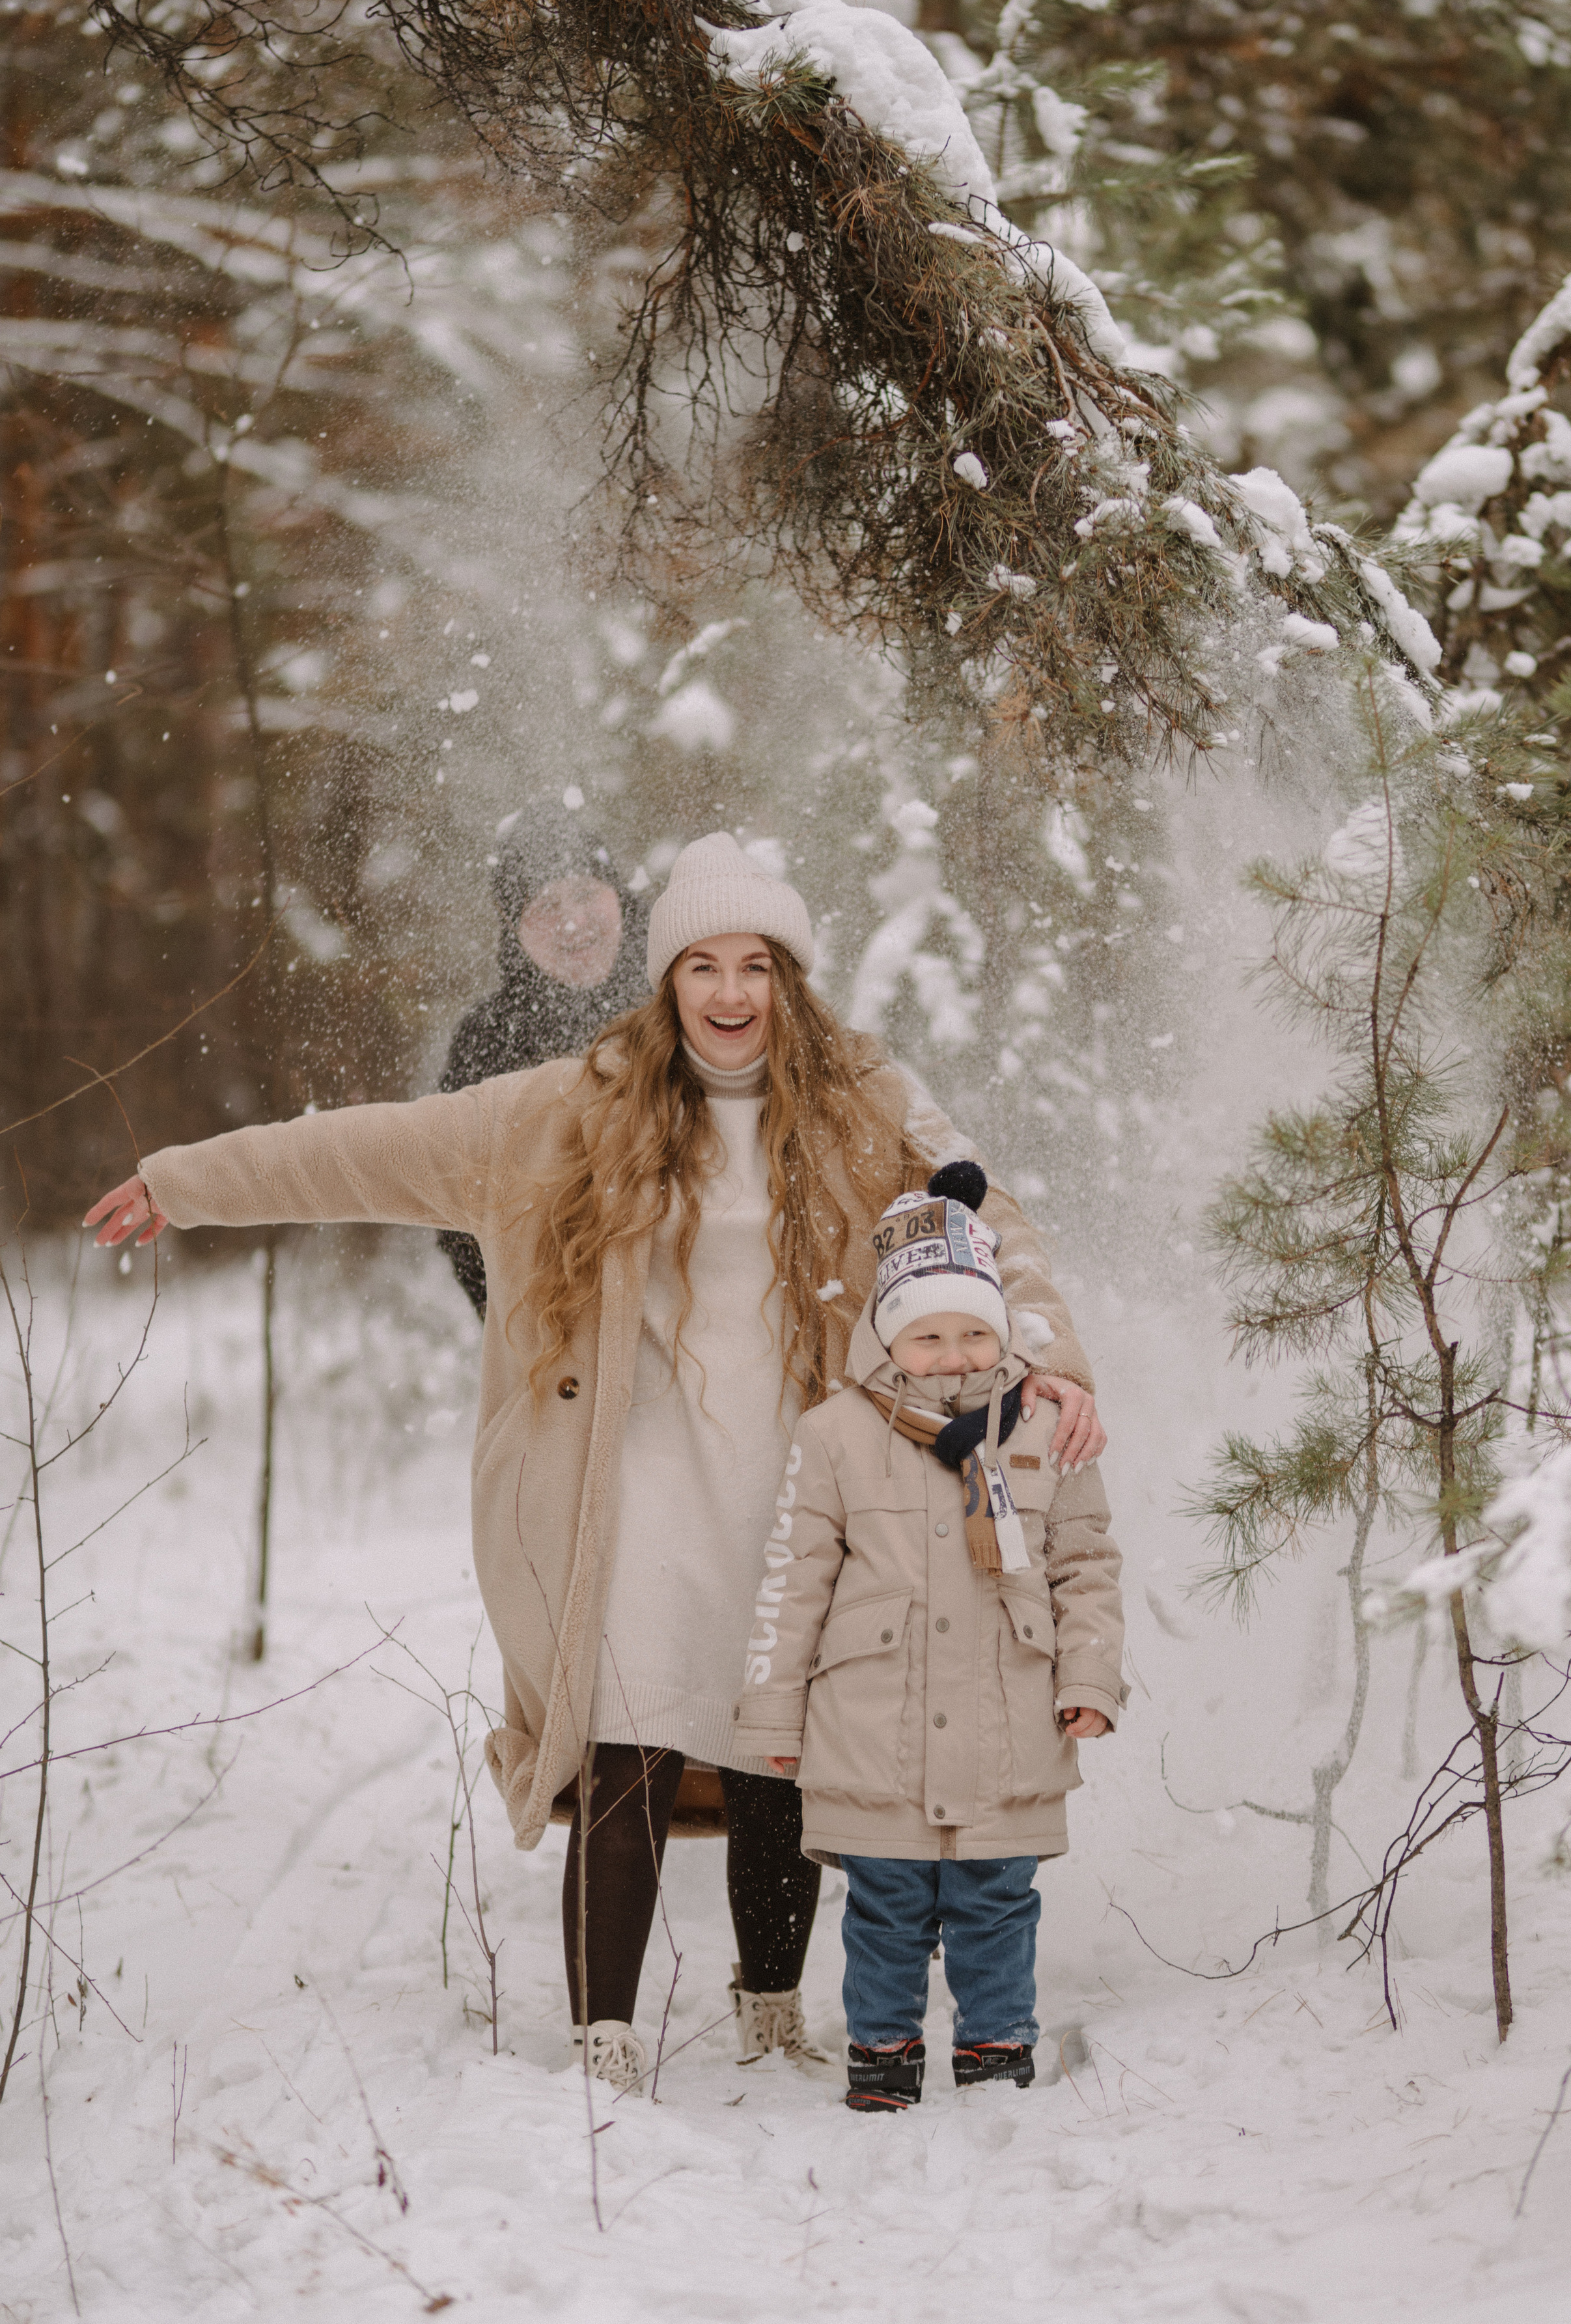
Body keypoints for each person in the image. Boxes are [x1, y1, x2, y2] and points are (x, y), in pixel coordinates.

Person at [83, 833, 1108, 2096]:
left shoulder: (866, 1099)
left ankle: (771, 2009)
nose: (730, 995)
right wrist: (184, 1183)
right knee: (624, 1734)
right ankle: (600, 2043)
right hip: (629, 1481)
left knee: (768, 1739)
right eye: (702, 966)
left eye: (756, 967)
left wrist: (1050, 1363)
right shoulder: (573, 1103)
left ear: (790, 979)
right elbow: (367, 1149)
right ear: (665, 974)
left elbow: (990, 1223)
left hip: (795, 1477)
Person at [732, 1160, 1126, 2111]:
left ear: (1000, 1328)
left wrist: (1093, 1679)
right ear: (887, 1338)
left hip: (1008, 1717)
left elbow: (1085, 1564)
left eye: (972, 1333)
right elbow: (797, 1584)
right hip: (876, 1727)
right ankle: (884, 2047)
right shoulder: (835, 1435)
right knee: (887, 1906)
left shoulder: (1038, 1427)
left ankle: (994, 2045)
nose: (952, 1354)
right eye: (928, 1336)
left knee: (997, 1897)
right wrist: (771, 1718)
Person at [436, 802, 652, 1317]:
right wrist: (534, 1326)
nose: (572, 922)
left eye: (584, 894)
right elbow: (460, 1219)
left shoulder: (685, 997)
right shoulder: (489, 1043)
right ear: (515, 929)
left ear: (617, 896)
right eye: (545, 906)